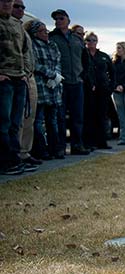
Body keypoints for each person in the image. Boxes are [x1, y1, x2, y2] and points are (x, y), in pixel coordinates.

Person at [49, 9, 89, 155]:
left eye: (61, 18)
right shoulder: (51, 38)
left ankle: (77, 145)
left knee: (77, 116)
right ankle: (60, 147)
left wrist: (83, 75)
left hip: (77, 82)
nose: (58, 21)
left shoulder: (77, 39)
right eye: (56, 19)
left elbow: (86, 60)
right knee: (59, 117)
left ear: (68, 20)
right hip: (60, 83)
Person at [0, 0, 30, 175]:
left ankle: (14, 159)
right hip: (4, 80)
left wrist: (24, 73)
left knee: (15, 124)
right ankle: (5, 163)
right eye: (3, 1)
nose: (7, 4)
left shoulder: (16, 24)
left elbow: (25, 51)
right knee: (2, 124)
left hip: (19, 79)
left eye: (9, 2)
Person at [27, 19, 62, 161]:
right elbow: (34, 63)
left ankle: (55, 149)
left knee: (52, 120)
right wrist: (51, 74)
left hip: (54, 87)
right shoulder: (32, 45)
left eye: (46, 30)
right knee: (38, 121)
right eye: (42, 31)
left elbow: (58, 61)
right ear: (35, 33)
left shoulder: (52, 45)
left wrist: (56, 76)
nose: (46, 33)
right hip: (40, 86)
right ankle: (41, 150)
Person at [12, 0, 40, 169]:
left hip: (29, 77)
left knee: (29, 117)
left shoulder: (23, 29)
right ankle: (13, 155)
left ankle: (24, 152)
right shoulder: (6, 26)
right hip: (14, 77)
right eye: (17, 6)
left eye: (23, 7)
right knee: (16, 119)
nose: (21, 9)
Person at [82, 32, 114, 150]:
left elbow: (112, 72)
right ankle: (89, 142)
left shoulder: (103, 56)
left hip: (103, 90)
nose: (91, 42)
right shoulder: (83, 55)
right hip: (88, 90)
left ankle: (102, 141)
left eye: (94, 40)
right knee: (89, 116)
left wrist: (111, 87)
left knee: (102, 116)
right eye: (89, 40)